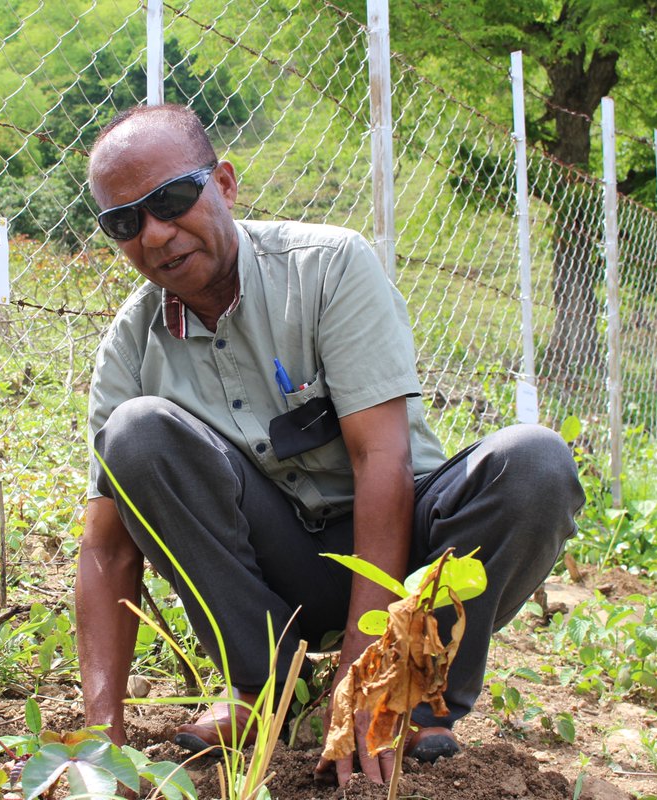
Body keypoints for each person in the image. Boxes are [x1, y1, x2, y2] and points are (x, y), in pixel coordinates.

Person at [75, 103, 585, 786]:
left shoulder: (327, 267)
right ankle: (264, 691)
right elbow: (107, 549)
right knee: (135, 433)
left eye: (171, 199)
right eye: (125, 222)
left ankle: (413, 691)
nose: (157, 233)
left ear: (223, 184)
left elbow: (384, 460)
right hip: (280, 564)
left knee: (537, 465)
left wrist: (365, 664)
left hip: (403, 546)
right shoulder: (132, 344)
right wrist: (96, 743)